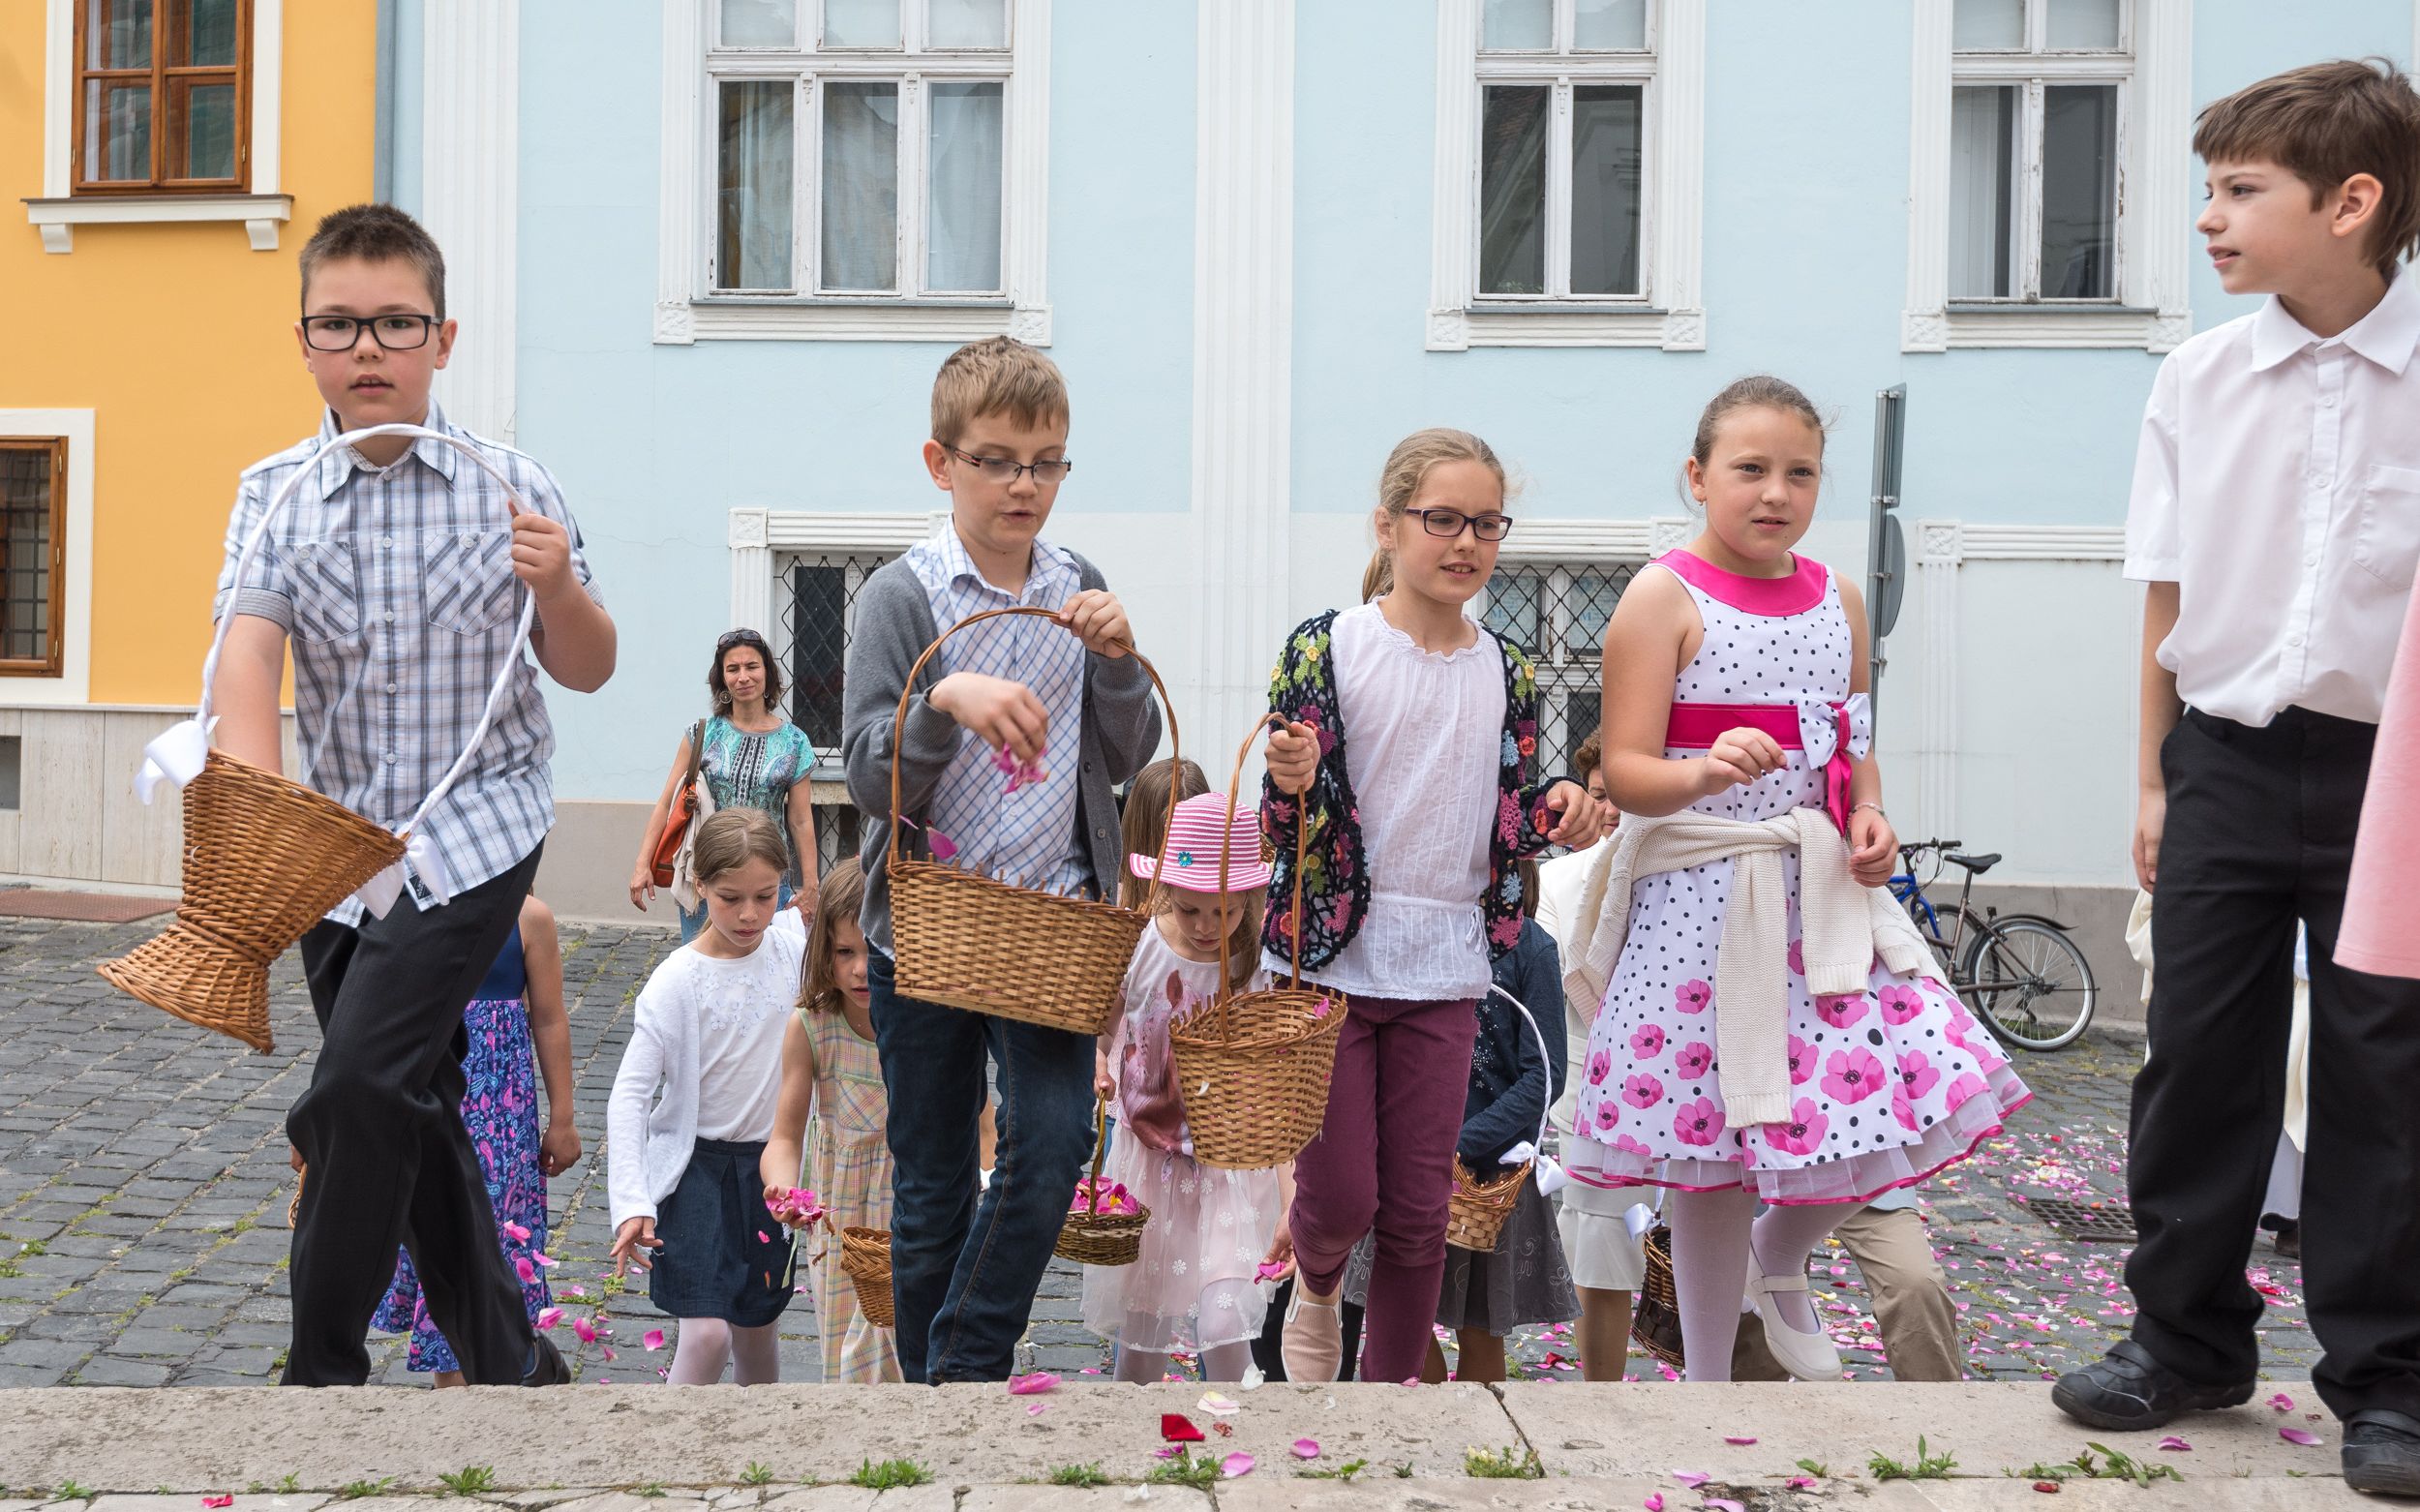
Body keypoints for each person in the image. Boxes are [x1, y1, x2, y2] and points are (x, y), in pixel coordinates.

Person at [2051, 61, 2420, 1496]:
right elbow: (2169, 586)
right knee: (2197, 1052)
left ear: (2353, 203)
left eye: (2238, 190)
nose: (2207, 218)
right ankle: (2184, 1335)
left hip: (2394, 776)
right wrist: (2152, 778)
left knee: (2386, 1071)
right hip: (2224, 756)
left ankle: (2388, 1378)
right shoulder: (2198, 378)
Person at [211, 203, 614, 1388]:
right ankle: (511, 1358)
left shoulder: (513, 483)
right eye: (341, 325)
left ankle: (322, 1365)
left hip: (478, 829)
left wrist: (557, 591)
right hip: (333, 846)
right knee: (415, 1100)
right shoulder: (275, 492)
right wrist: (259, 803)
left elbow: (585, 666)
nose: (369, 348)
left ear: (444, 338)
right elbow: (246, 650)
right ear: (305, 342)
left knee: (355, 1084)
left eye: (396, 321)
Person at [1559, 376, 2028, 1384]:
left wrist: (1867, 813)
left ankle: (1782, 1257)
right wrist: (1704, 769)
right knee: (1715, 1145)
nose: (1775, 491)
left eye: (1799, 472)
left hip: (1817, 899)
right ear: (1697, 476)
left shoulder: (1838, 596)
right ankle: (1705, 1377)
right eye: (1750, 469)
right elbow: (1627, 769)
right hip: (1700, 902)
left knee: (1879, 1100)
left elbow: (1848, 747)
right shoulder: (1660, 594)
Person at [841, 336, 1164, 1383]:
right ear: (942, 464)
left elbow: (1122, 755)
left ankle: (963, 1362)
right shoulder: (905, 594)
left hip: (1052, 925)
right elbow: (858, 768)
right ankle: (942, 1407)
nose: (1025, 483)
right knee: (932, 1180)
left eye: (1047, 461)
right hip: (926, 923)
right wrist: (941, 699)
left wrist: (1115, 663)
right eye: (998, 459)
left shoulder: (1079, 585)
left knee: (1054, 1143)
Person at [1258, 427, 1606, 1386]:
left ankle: (1388, 1412)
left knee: (1418, 1213)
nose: (1465, 541)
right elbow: (1282, 810)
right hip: (1331, 960)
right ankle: (1318, 1277)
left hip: (1449, 961)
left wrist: (1559, 810)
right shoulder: (1326, 644)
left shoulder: (1511, 669)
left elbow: (1504, 812)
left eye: (1485, 523)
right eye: (1442, 518)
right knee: (1337, 1197)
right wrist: (1288, 778)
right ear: (1389, 522)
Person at [1344, 862, 1579, 1383]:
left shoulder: (1532, 951)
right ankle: (1422, 1430)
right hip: (1411, 1161)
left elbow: (1545, 1076)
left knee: (1480, 1324)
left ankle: (1481, 1445)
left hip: (1488, 1179)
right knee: (1403, 1311)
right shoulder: (1427, 935)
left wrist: (1459, 1142)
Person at [1083, 793, 1285, 1383]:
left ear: (1248, 900)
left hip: (1227, 1170)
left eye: (1224, 913)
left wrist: (1289, 1189)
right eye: (1192, 910)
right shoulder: (1141, 944)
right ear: (1168, 892)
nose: (1206, 929)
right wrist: (1098, 1060)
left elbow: (1271, 1078)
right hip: (1150, 1163)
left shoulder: (1254, 965)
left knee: (1226, 1321)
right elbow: (1103, 1019)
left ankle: (1235, 1441)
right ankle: (1129, 1443)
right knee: (1142, 1329)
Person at [606, 809, 802, 1385]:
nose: (749, 914)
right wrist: (633, 1202)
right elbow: (630, 1096)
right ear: (699, 887)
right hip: (695, 1170)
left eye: (765, 896)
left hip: (769, 1170)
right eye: (729, 897)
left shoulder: (791, 949)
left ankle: (759, 1460)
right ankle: (666, 1454)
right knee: (708, 1331)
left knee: (758, 1329)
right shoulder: (677, 980)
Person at [371, 894, 581, 1384]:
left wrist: (563, 1117)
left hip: (503, 1117)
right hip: (427, 1104)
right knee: (439, 1237)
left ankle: (507, 1361)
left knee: (497, 1237)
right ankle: (462, 1389)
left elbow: (549, 1018)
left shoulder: (528, 918)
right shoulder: (399, 909)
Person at [761, 859, 899, 1383]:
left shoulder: (927, 1025)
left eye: (875, 952)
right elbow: (784, 1136)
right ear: (823, 951)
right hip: (839, 1219)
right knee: (844, 1352)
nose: (861, 969)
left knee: (908, 1344)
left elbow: (981, 1128)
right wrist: (781, 1188)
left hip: (912, 1209)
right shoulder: (813, 1028)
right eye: (845, 952)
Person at [1536, 726, 1644, 1381]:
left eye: (1623, 794)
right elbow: (1555, 992)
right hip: (1592, 1085)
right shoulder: (1562, 880)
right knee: (1600, 1254)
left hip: (1686, 1085)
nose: (1611, 811)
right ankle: (1600, 1390)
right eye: (1601, 795)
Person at [630, 629, 819, 941]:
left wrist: (810, 884)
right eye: (733, 669)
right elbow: (667, 802)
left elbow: (800, 819)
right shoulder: (702, 734)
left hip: (767, 883)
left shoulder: (795, 742)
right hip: (707, 879)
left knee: (765, 970)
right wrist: (642, 864)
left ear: (767, 674)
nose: (743, 677)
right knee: (703, 968)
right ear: (723, 679)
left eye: (752, 667)